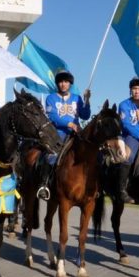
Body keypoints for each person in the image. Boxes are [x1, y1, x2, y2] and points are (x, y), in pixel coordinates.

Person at [37, 71, 91, 200]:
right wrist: (69, 124)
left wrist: (87, 100)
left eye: (66, 82)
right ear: (57, 84)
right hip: (58, 133)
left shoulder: (77, 98)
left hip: (76, 133)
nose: (63, 84)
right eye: (61, 82)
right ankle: (44, 185)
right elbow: (53, 117)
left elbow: (85, 115)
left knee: (93, 153)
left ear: (70, 84)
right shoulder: (51, 98)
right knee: (51, 155)